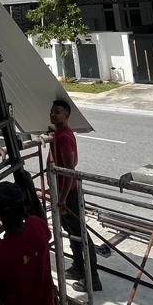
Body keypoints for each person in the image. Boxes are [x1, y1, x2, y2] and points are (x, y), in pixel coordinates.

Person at [46, 98, 101, 292]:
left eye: (57, 112)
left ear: (66, 115)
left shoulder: (64, 137)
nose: (53, 115)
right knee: (72, 233)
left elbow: (69, 170)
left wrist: (61, 199)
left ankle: (92, 278)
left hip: (69, 193)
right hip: (63, 192)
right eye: (52, 111)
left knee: (80, 234)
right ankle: (78, 267)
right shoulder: (58, 134)